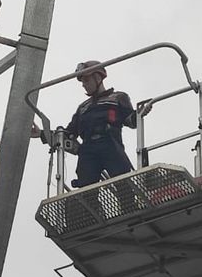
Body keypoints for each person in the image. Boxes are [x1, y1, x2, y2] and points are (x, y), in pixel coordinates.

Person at [32, 60, 152, 188]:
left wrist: (140, 114)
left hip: (111, 144)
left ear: (98, 77)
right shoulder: (83, 108)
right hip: (88, 149)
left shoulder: (118, 98)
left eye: (86, 80)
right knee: (85, 185)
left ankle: (128, 200)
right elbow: (67, 134)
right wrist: (42, 134)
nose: (84, 85)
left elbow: (131, 120)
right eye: (82, 82)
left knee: (122, 181)